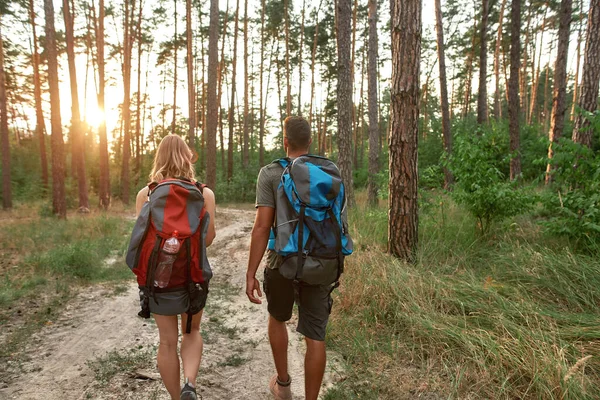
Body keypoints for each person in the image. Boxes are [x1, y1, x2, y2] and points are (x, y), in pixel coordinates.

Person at [245, 116, 335, 400]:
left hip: (282, 262)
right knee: (315, 336)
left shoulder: (271, 173)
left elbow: (262, 227)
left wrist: (250, 273)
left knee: (277, 317)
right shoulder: (329, 171)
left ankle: (283, 385)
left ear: (285, 141)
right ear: (310, 141)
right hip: (321, 262)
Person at [135, 134, 216, 400]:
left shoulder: (147, 194)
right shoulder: (204, 193)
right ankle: (189, 385)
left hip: (159, 280)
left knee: (167, 341)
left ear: (159, 158)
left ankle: (175, 397)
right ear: (187, 158)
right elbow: (209, 239)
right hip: (193, 275)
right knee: (191, 332)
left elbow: (142, 240)